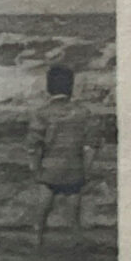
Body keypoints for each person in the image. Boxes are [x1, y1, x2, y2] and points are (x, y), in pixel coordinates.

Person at [30, 62, 99, 249]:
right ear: (71, 87)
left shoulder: (42, 113)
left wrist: (35, 168)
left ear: (48, 88)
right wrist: (87, 169)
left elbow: (35, 145)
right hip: (74, 166)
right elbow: (91, 145)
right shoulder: (83, 113)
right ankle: (75, 242)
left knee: (42, 209)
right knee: (74, 214)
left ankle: (38, 238)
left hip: (49, 168)